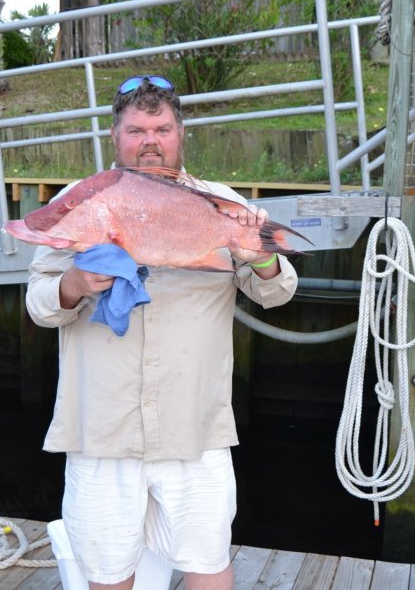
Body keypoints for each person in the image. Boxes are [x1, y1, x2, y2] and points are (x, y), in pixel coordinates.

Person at [25, 75, 298, 590]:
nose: (150, 141)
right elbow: (39, 305)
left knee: (207, 559)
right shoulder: (81, 202)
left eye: (162, 128)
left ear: (180, 133)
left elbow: (276, 292)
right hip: (101, 427)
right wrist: (74, 283)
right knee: (107, 571)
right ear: (114, 135)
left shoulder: (221, 204)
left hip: (194, 426)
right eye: (136, 130)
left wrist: (261, 255)